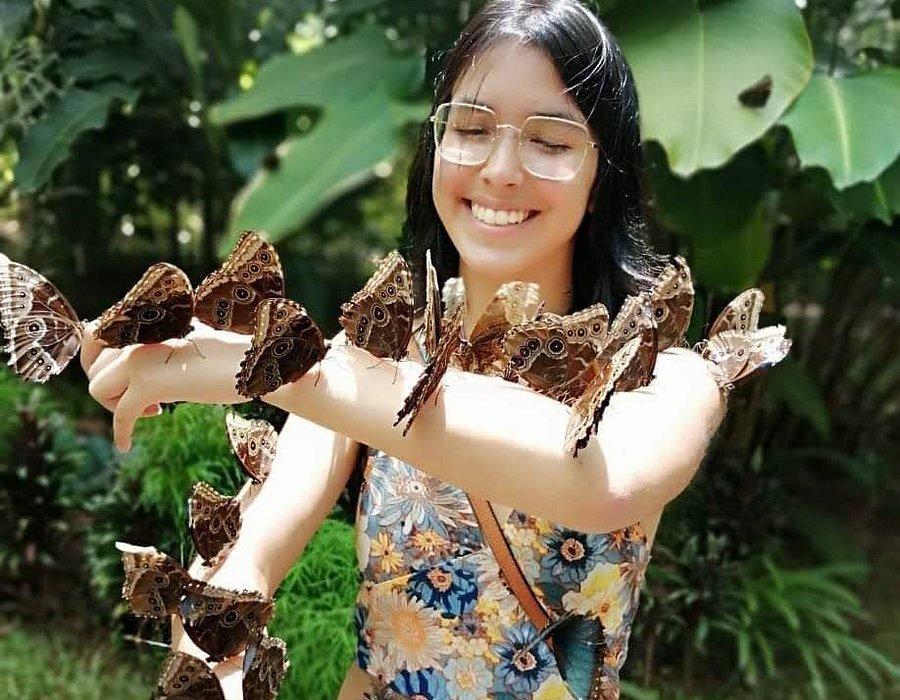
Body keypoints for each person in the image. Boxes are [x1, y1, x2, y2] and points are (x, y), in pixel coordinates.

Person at [81, 1, 725, 698]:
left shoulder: (672, 382)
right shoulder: (367, 371)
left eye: (551, 141)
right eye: (472, 128)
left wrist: (265, 368)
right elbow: (242, 567)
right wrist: (217, 663)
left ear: (604, 176)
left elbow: (603, 481)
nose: (501, 170)